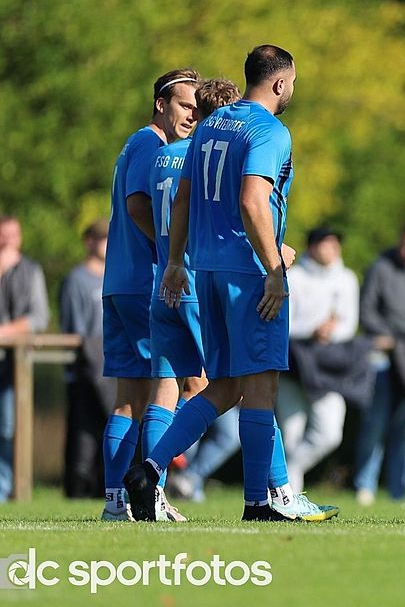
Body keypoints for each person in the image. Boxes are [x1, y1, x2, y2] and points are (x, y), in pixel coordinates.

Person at [124, 45, 337, 522]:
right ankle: (260, 502)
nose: (292, 92)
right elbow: (253, 201)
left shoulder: (211, 125)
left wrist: (175, 260)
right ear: (280, 83)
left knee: (222, 387)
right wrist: (276, 271)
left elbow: (183, 197)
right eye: (293, 83)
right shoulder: (270, 130)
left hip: (204, 270)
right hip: (249, 273)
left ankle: (151, 468)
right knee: (260, 387)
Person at [100, 68, 200, 521]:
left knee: (129, 398)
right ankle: (151, 494)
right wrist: (169, 252)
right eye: (184, 105)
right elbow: (139, 203)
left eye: (197, 108)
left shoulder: (133, 143)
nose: (191, 115)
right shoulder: (151, 145)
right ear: (161, 103)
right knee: (177, 386)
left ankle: (116, 502)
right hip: (145, 281)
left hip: (119, 281)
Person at [142, 79, 242, 520]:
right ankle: (158, 469)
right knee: (233, 385)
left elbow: (142, 209)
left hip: (164, 278)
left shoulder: (160, 153)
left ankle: (149, 490)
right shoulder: (202, 153)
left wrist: (169, 258)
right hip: (195, 282)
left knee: (165, 391)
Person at [281, 226, 367, 492]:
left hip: (328, 369)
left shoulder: (347, 279)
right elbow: (285, 325)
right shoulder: (294, 277)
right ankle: (288, 499)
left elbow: (349, 324)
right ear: (312, 247)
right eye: (325, 244)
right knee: (291, 436)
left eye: (334, 244)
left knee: (329, 434)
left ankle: (285, 474)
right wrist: (313, 331)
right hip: (293, 365)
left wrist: (330, 332)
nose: (331, 249)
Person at [354, 222, 405, 505]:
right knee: (375, 423)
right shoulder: (381, 267)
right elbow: (366, 311)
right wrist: (388, 337)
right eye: (404, 247)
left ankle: (400, 488)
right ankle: (364, 484)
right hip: (384, 352)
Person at [61, 220, 114, 498]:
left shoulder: (116, 274)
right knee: (84, 437)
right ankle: (79, 491)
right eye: (100, 237)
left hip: (115, 368)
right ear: (89, 241)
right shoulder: (76, 279)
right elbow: (76, 330)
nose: (106, 242)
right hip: (86, 371)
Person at [0, 216, 50, 502]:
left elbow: (39, 318)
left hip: (14, 363)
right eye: (2, 235)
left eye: (12, 235)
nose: (7, 241)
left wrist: (5, 332)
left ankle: (4, 487)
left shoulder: (30, 270)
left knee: (7, 428)